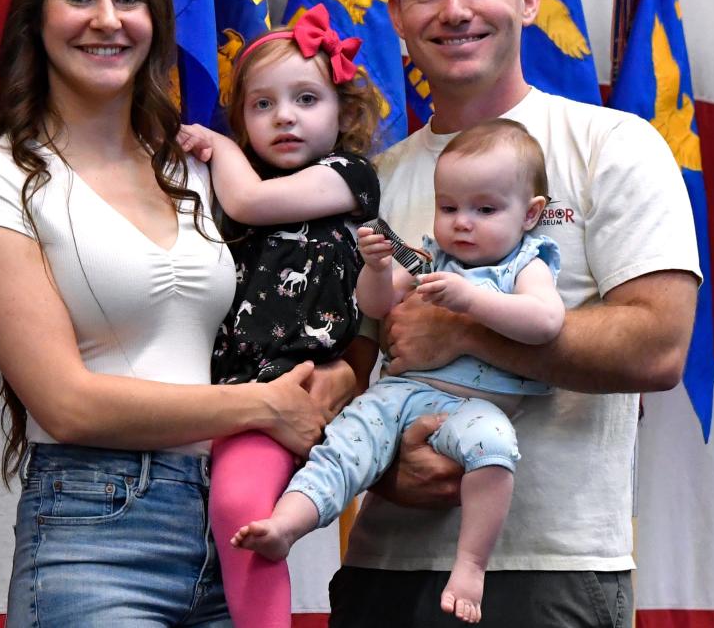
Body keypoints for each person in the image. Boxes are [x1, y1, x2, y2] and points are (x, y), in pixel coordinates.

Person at [0, 0, 356, 627]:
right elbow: (67, 403)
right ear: (36, 18)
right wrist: (265, 406)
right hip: (97, 528)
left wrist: (340, 377)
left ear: (157, 18)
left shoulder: (200, 170)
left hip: (237, 520)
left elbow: (297, 307)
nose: (108, 18)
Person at [326, 0, 702, 628]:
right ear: (397, 15)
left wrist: (468, 333)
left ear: (530, 0)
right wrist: (386, 469)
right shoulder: (367, 181)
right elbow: (340, 365)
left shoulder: (610, 145)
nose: (455, 9)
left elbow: (659, 344)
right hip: (385, 569)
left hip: (548, 570)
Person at [231, 119, 564, 624]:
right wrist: (379, 269)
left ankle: (471, 565)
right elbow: (377, 304)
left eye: (485, 209)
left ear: (530, 214)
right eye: (449, 207)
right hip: (401, 393)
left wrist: (472, 302)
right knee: (343, 445)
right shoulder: (432, 255)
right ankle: (286, 525)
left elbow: (545, 322)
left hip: (471, 409)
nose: (463, 222)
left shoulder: (525, 265)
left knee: (496, 448)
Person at [177, 3, 380, 628]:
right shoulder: (228, 186)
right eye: (260, 104)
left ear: (344, 113)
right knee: (208, 519)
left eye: (306, 99)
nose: (284, 116)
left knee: (241, 503)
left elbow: (251, 199)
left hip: (294, 390)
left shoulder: (349, 175)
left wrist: (212, 144)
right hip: (223, 389)